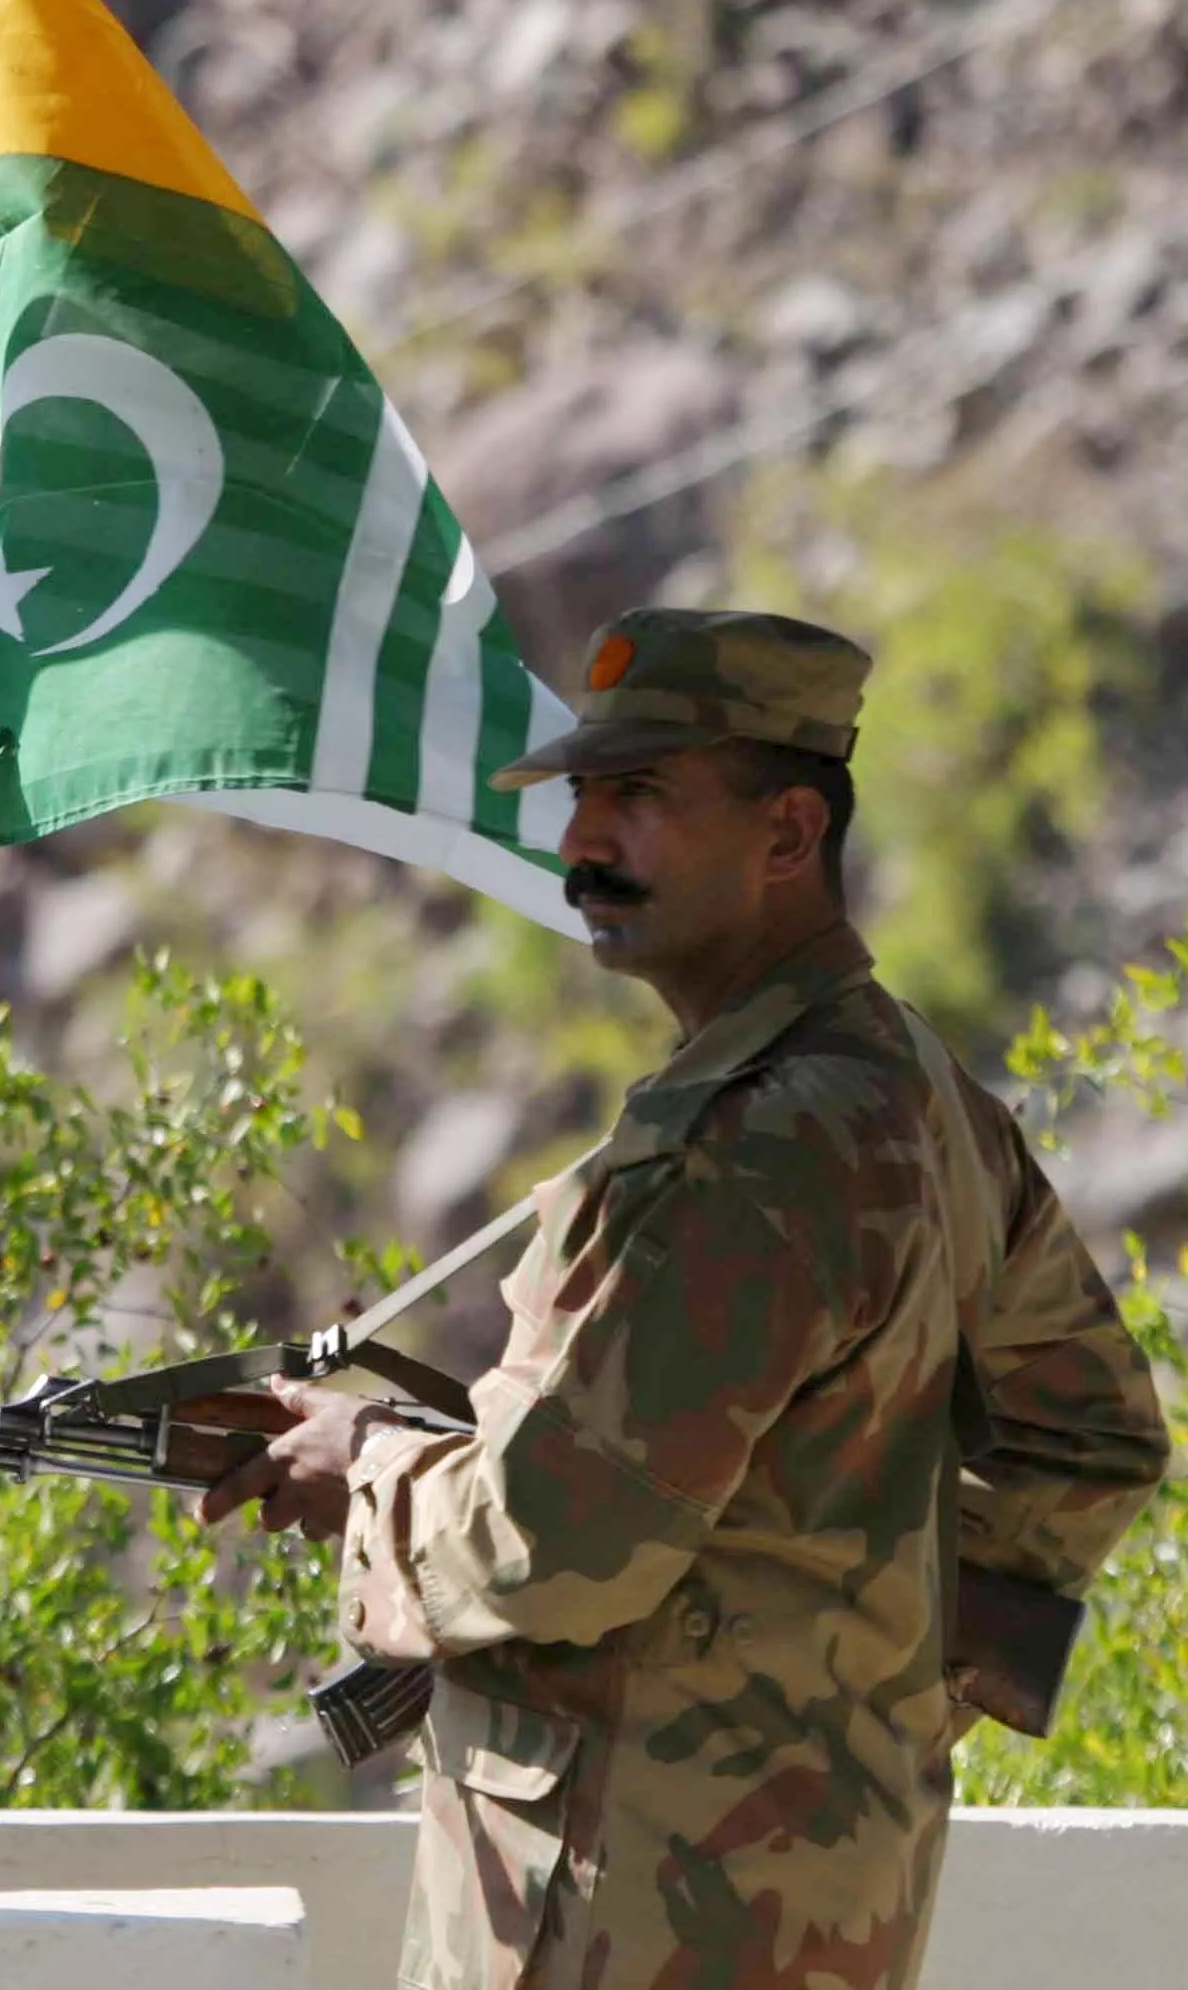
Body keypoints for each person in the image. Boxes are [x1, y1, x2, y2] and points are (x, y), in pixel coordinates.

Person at [198, 608, 1171, 1990]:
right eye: (583, 796)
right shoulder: (911, 1089)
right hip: (795, 1897)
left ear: (788, 834)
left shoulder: (761, 1140)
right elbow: (1090, 1439)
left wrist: (367, 1468)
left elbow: (550, 1543)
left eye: (641, 795)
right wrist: (856, 1689)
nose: (584, 841)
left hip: (645, 1917)